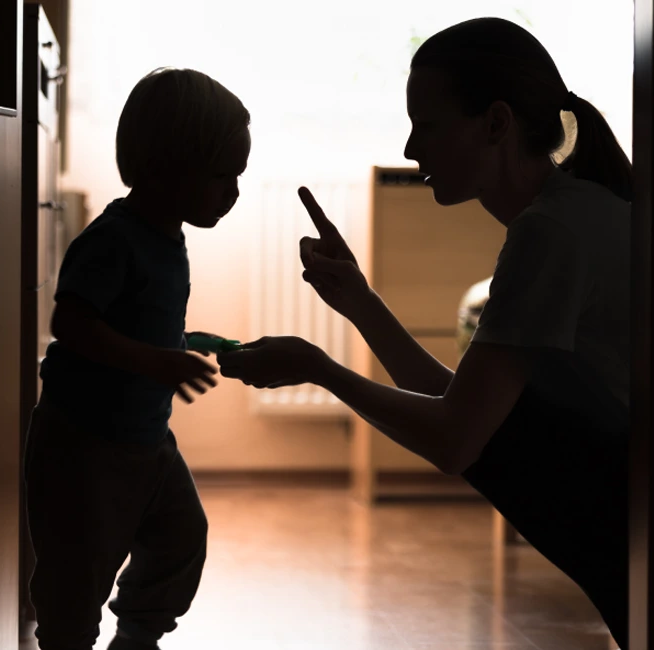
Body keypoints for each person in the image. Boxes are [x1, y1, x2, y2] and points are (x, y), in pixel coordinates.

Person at [218, 17, 632, 648]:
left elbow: (455, 442)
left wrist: (321, 369)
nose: (413, 150)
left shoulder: (550, 234)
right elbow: (463, 412)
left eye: (429, 126)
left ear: (496, 123)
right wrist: (359, 302)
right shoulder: (572, 212)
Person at [24, 67, 251, 650]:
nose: (234, 191)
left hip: (145, 441)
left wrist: (183, 342)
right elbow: (70, 324)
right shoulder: (112, 240)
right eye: (223, 175)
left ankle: (138, 636)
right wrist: (155, 362)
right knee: (77, 579)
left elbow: (134, 320)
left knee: (180, 538)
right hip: (84, 446)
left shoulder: (167, 237)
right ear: (164, 168)